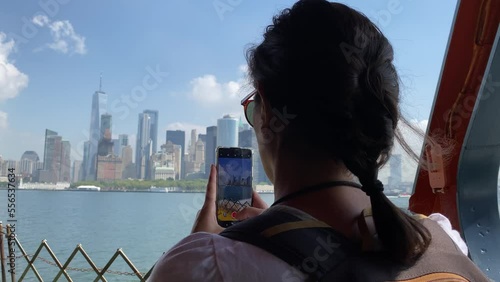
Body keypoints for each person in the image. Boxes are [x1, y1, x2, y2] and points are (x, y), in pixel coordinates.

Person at [149, 1, 489, 281]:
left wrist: (204, 242)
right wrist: (282, 230)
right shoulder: (444, 240)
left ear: (267, 113)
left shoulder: (208, 266)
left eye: (253, 109)